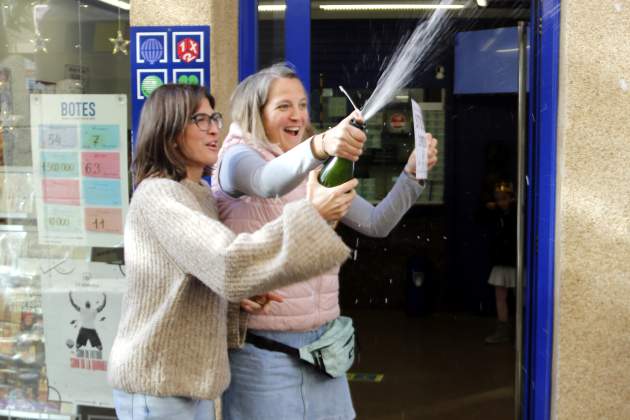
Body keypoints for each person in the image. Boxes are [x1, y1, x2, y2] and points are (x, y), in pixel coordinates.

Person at [107, 84, 359, 420]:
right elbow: (228, 263)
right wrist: (312, 214)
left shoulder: (197, 194)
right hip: (158, 388)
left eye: (214, 117)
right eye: (199, 119)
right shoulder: (160, 196)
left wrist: (236, 300)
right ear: (169, 135)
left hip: (187, 387)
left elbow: (200, 276)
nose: (213, 128)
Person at [213, 63, 439, 420]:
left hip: (324, 351)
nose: (298, 115)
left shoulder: (311, 166)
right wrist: (320, 145)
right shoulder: (238, 158)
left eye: (303, 105)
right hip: (263, 355)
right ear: (255, 112)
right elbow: (266, 181)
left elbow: (376, 223)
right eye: (283, 106)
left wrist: (411, 176)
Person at [483, 180, 517, 344]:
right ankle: (503, 329)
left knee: (522, 296)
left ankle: (522, 328)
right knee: (500, 296)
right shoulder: (496, 213)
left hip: (515, 260)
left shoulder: (517, 213)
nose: (501, 202)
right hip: (502, 260)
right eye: (498, 199)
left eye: (504, 198)